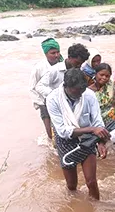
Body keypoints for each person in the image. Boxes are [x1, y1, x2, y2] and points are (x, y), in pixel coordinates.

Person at [46, 68, 110, 200]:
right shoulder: (53, 99)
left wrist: (101, 142)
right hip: (66, 141)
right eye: (77, 91)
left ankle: (94, 211)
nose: (80, 94)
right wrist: (92, 130)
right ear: (66, 87)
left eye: (82, 90)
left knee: (91, 182)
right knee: (71, 185)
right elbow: (63, 131)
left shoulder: (88, 95)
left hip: (87, 139)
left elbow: (97, 121)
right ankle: (74, 206)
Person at [29, 38, 62, 140]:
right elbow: (33, 87)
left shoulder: (62, 64)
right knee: (50, 129)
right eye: (53, 53)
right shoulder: (39, 68)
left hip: (60, 98)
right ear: (46, 54)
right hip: (44, 101)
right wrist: (41, 104)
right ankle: (52, 143)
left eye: (58, 52)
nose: (56, 55)